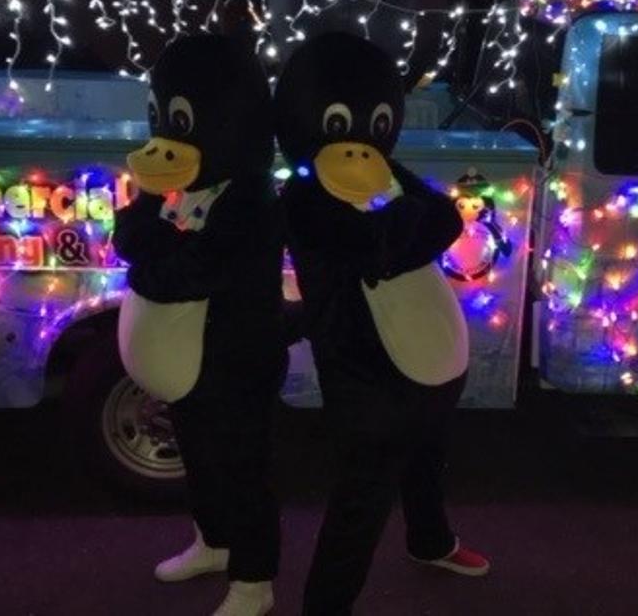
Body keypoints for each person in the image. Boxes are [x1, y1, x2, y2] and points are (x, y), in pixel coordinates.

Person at [275, 32, 490, 616]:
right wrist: (402, 223)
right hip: (365, 372)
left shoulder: (385, 169)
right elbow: (377, 249)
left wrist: (403, 221)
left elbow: (444, 219)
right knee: (361, 496)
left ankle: (430, 540)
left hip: (431, 357)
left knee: (427, 458)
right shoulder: (303, 198)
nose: (356, 146)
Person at [113, 35, 285, 616]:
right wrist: (154, 229)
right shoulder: (174, 180)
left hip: (238, 359)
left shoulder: (253, 199)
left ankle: (255, 582)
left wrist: (148, 263)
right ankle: (215, 542)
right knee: (200, 458)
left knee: (243, 469)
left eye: (182, 121)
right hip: (188, 362)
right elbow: (127, 236)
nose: (168, 137)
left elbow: (193, 271)